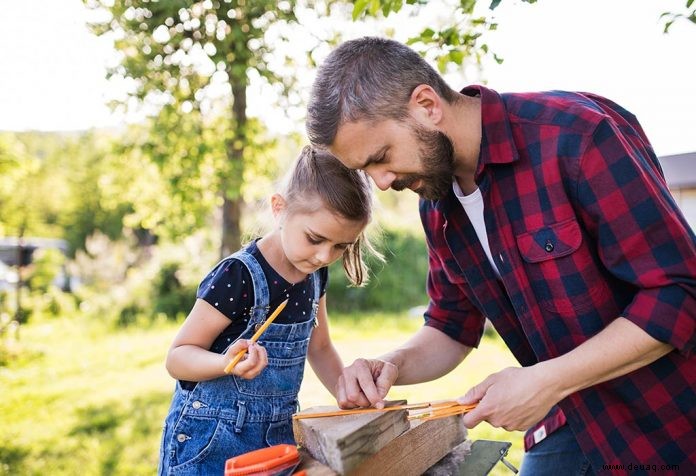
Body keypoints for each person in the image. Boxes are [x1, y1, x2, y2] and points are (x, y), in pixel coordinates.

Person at [305, 37, 696, 475]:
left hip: (666, 422)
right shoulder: (436, 203)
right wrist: (391, 365)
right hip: (568, 419)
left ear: (427, 104)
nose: (380, 182)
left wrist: (545, 381)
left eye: (382, 157)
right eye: (366, 170)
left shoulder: (577, 137)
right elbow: (451, 327)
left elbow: (679, 292)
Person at [157, 146, 378, 475]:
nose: (323, 256)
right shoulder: (238, 276)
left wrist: (347, 396)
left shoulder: (315, 274)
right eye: (315, 238)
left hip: (275, 444)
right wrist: (226, 363)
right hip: (210, 446)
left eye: (339, 246)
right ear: (280, 208)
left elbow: (319, 347)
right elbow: (178, 357)